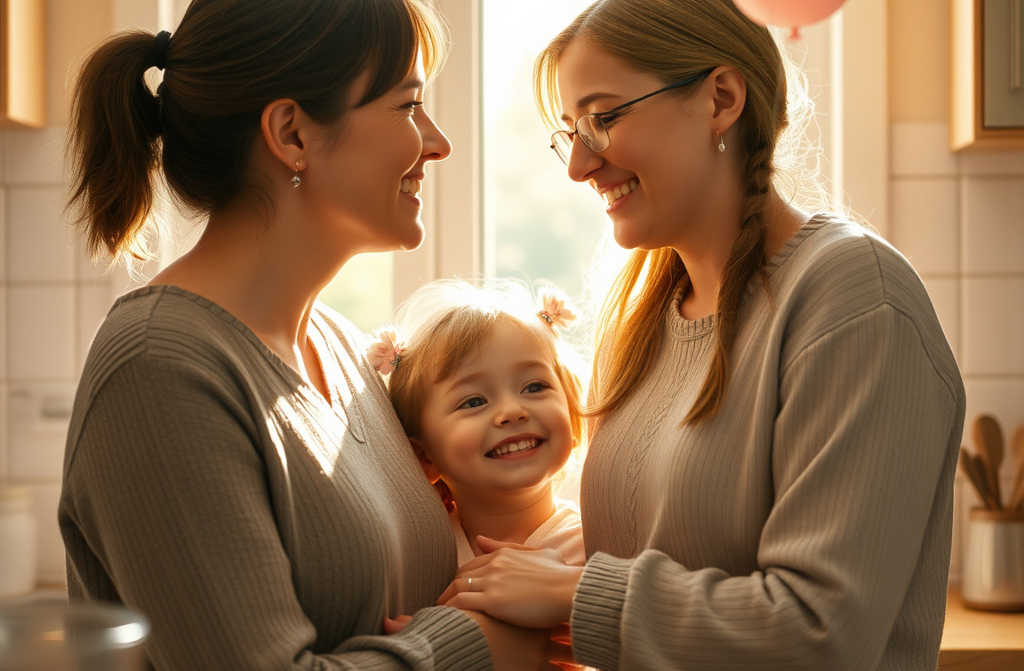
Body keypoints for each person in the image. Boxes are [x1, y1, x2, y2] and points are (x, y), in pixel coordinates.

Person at [434, 1, 966, 670]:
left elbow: (822, 631)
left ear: (720, 99)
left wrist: (573, 596)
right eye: (568, 130)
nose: (577, 164)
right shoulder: (643, 318)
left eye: (601, 117)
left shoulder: (854, 296)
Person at [59, 1, 567, 668]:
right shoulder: (159, 369)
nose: (438, 142)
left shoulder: (334, 342)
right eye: (408, 106)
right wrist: (478, 641)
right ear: (292, 134)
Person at [369, 280, 586, 568]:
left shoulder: (598, 546)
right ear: (423, 456)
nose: (512, 411)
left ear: (571, 416)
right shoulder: (415, 554)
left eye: (534, 387)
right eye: (473, 402)